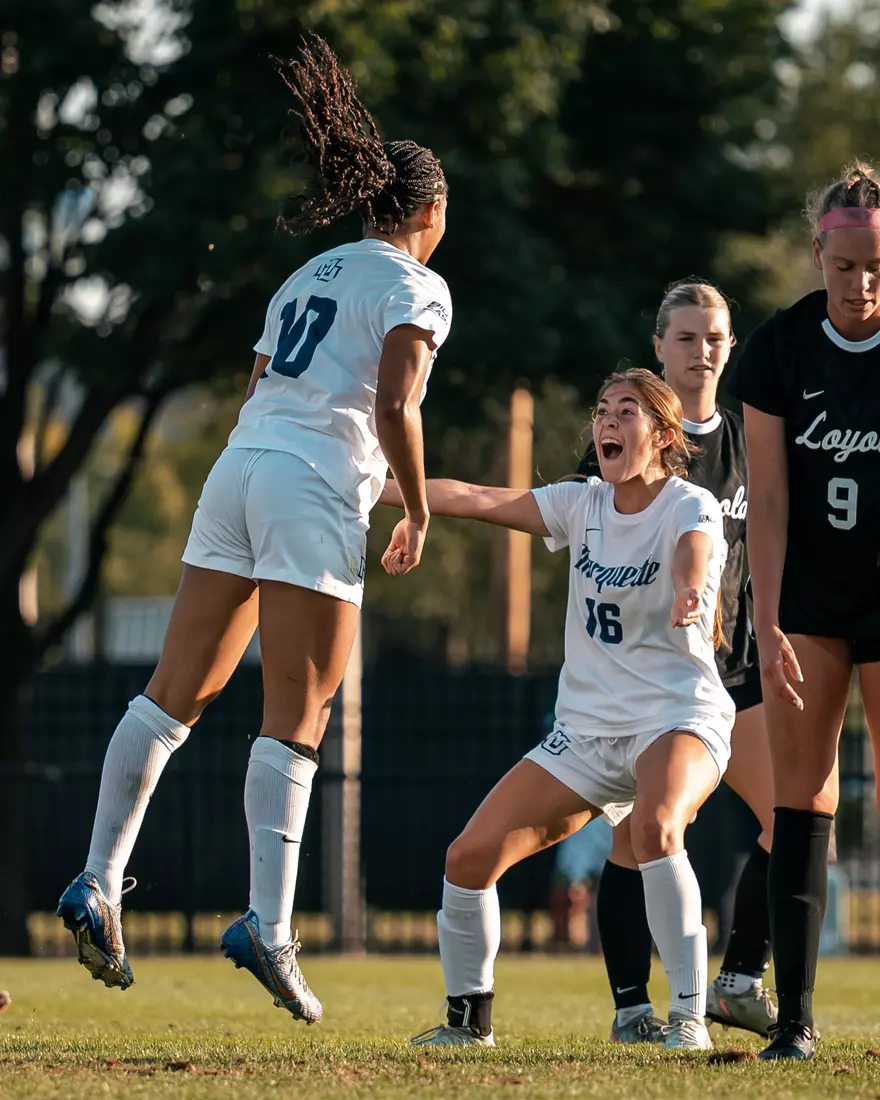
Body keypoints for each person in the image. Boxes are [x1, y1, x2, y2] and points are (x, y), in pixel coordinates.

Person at [56, 34, 451, 1024]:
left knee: (169, 698)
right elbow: (397, 405)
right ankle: (268, 927)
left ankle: (98, 879)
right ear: (432, 213)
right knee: (297, 716)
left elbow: (258, 388)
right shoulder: (416, 285)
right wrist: (415, 505)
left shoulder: (306, 275)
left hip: (238, 467)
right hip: (310, 486)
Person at [382, 367, 734, 1052]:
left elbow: (694, 553)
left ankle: (688, 1019)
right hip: (587, 733)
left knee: (657, 827)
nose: (608, 422)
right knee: (467, 857)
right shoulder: (582, 503)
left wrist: (692, 590)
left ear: (664, 435)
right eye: (601, 411)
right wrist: (382, 486)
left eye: (626, 411)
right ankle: (468, 1024)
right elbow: (477, 498)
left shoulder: (689, 504)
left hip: (677, 716)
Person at [577, 281, 776, 1044]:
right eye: (686, 338)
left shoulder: (753, 439)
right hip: (652, 682)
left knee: (798, 813)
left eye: (715, 337)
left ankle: (738, 979)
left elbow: (768, 543)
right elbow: (579, 531)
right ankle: (633, 1007)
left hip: (733, 674)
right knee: (639, 836)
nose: (702, 351)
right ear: (659, 348)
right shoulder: (623, 439)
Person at [726, 160, 880, 1061]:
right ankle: (794, 1022)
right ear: (818, 253)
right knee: (802, 803)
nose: (861, 283)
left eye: (876, 266)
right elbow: (771, 503)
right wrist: (771, 619)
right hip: (811, 602)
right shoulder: (779, 347)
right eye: (846, 264)